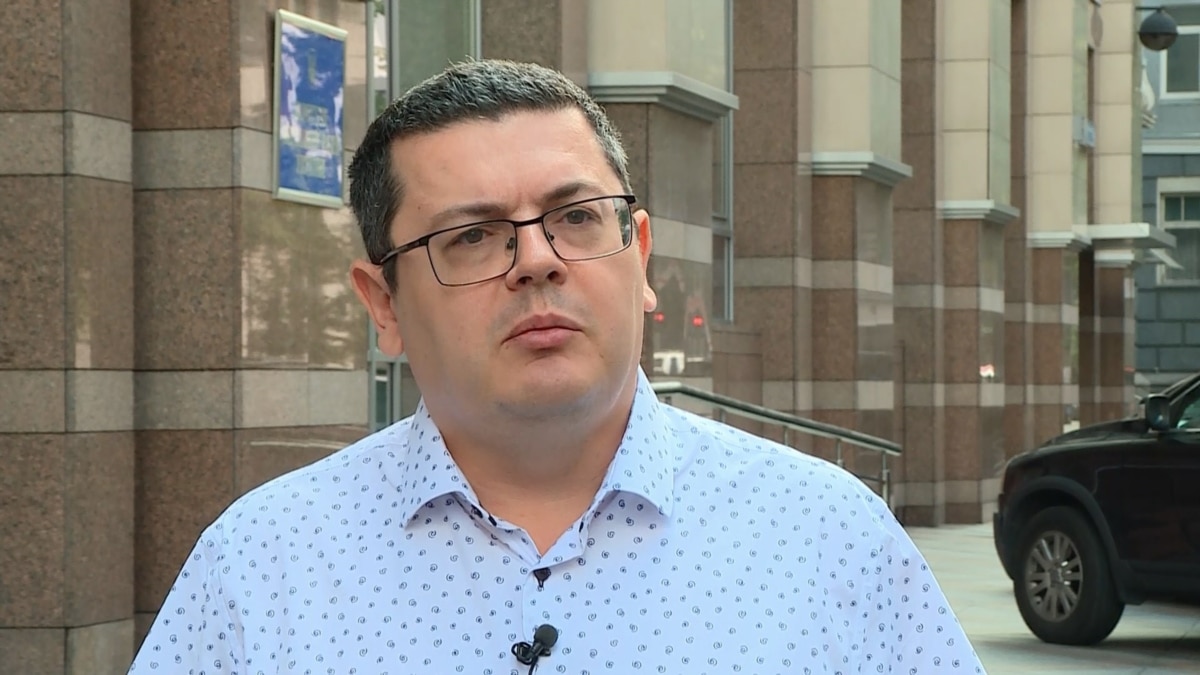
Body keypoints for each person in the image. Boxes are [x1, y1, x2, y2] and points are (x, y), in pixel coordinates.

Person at [130, 59, 986, 674]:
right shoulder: (264, 563)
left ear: (639, 253)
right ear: (383, 303)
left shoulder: (828, 536)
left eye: (576, 218)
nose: (537, 261)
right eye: (473, 236)